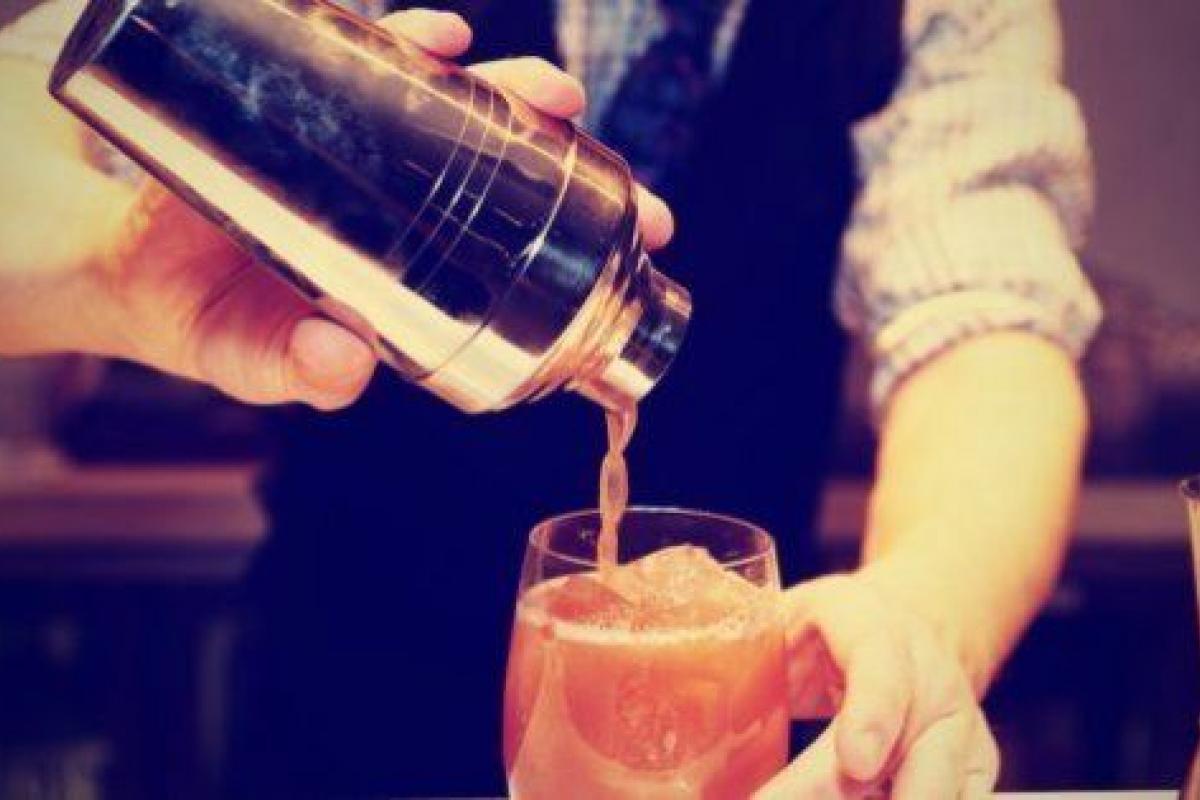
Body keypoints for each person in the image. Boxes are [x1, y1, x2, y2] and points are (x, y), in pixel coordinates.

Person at [0, 0, 1100, 796]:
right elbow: (40, 89)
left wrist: (917, 613)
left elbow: (984, 322)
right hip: (343, 715)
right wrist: (107, 265)